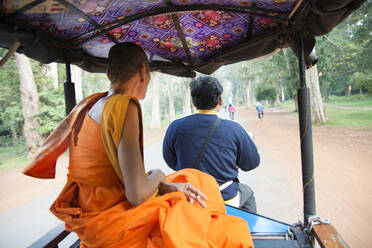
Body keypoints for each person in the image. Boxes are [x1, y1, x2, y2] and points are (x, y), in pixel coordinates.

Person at [23, 43, 254, 248]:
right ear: (143, 72)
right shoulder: (124, 106)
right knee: (222, 220)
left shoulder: (88, 105)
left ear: (108, 73)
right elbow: (136, 195)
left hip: (89, 213)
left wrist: (167, 185)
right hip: (113, 219)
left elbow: (118, 178)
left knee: (189, 179)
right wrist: (159, 175)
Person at [163, 76, 260, 213]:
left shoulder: (175, 127)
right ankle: (249, 232)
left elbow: (172, 162)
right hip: (224, 196)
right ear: (220, 100)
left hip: (189, 196)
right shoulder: (234, 128)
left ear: (193, 101)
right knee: (248, 193)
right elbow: (251, 163)